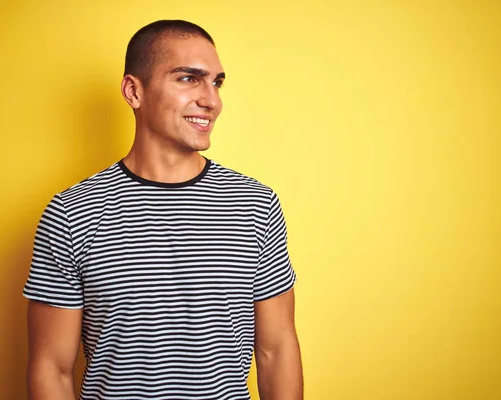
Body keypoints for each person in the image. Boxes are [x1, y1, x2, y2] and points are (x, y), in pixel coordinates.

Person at [23, 19, 303, 400]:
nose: (212, 100)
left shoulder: (254, 204)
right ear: (133, 91)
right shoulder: (71, 212)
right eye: (189, 78)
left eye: (216, 82)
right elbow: (51, 368)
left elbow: (277, 349)